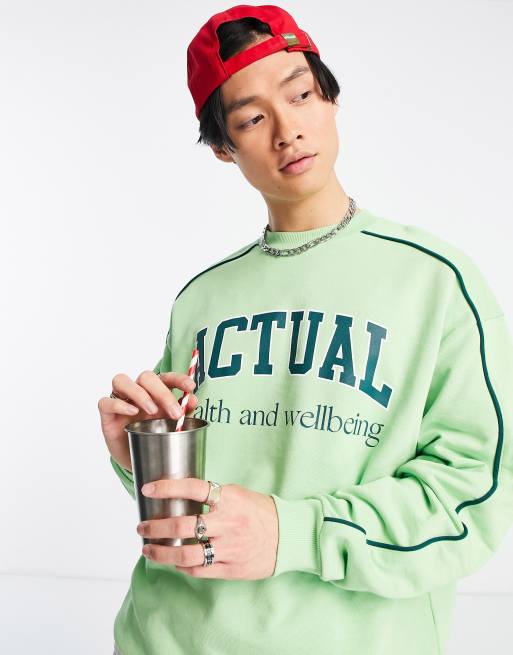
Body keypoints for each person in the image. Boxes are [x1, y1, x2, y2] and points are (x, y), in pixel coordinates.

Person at [98, 5, 513, 654]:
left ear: (330, 101)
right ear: (223, 148)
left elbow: (473, 497)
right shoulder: (202, 297)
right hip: (166, 637)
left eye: (300, 95)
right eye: (252, 119)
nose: (287, 130)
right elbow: (193, 502)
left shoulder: (435, 282)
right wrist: (140, 457)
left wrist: (292, 533)